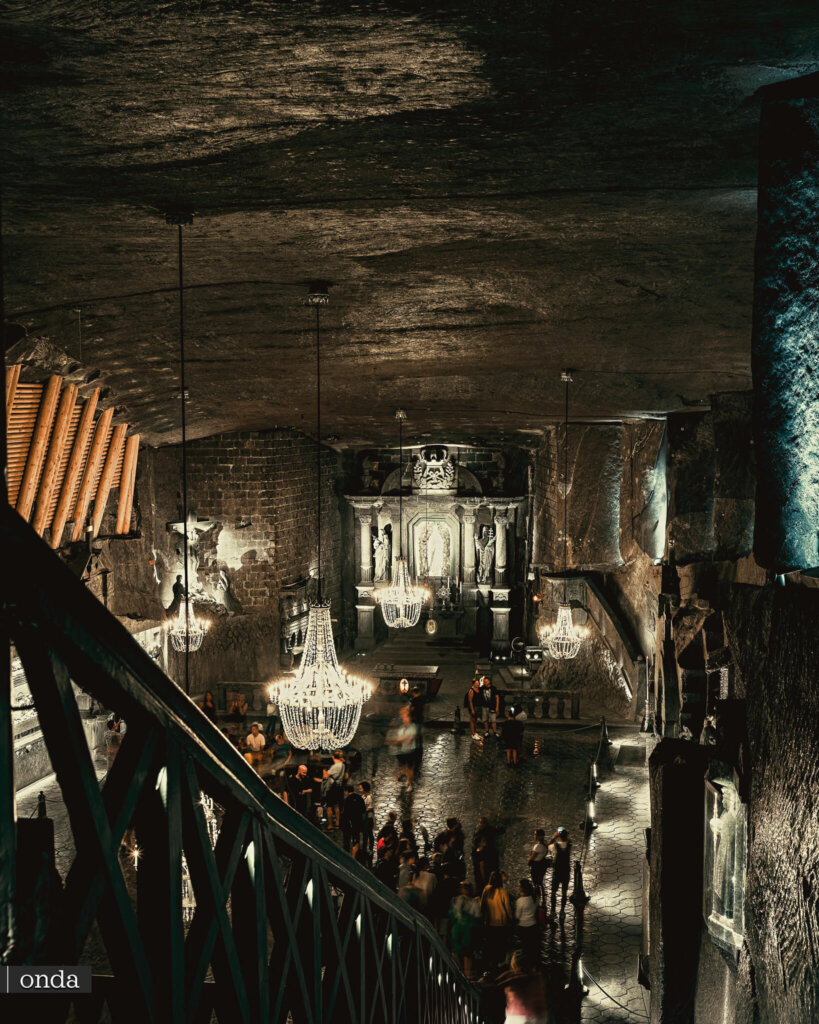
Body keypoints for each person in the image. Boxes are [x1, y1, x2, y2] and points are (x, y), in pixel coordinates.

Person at [480, 870, 514, 967]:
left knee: (491, 943)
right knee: (500, 943)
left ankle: (491, 962)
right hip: (501, 922)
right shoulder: (503, 892)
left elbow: (482, 905)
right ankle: (500, 962)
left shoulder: (486, 889)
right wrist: (511, 918)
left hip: (490, 922)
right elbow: (507, 907)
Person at [448, 881, 481, 980]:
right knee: (467, 954)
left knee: (460, 953)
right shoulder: (473, 902)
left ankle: (460, 975)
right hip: (467, 930)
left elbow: (453, 914)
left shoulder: (456, 900)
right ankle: (467, 976)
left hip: (459, 929)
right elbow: (478, 916)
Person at [390, 707, 421, 790]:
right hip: (404, 751)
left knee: (410, 768)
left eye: (405, 717)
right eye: (403, 717)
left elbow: (409, 740)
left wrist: (401, 740)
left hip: (411, 751)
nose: (404, 719)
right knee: (405, 768)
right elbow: (400, 739)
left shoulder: (413, 727)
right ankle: (407, 779)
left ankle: (410, 784)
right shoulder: (402, 728)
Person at [515, 878, 541, 967]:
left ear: (523, 888)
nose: (518, 888)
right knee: (532, 947)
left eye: (519, 886)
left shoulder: (520, 901)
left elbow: (517, 916)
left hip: (523, 927)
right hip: (533, 926)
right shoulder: (535, 898)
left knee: (524, 947)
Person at [549, 827, 572, 922]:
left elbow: (548, 845)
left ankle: (553, 911)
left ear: (558, 836)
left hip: (557, 872)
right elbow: (570, 841)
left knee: (553, 892)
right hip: (566, 871)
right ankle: (562, 911)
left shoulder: (554, 846)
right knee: (564, 892)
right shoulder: (570, 845)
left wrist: (554, 837)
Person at [324, 750, 346, 830]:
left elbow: (326, 776)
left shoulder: (335, 766)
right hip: (339, 787)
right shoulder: (343, 765)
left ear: (333, 757)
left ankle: (330, 825)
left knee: (329, 807)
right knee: (336, 805)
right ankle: (338, 822)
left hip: (332, 788)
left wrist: (324, 771)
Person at [342, 784, 367, 854]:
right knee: (356, 839)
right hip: (358, 822)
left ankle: (346, 853)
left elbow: (345, 813)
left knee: (347, 840)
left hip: (349, 823)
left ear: (347, 791)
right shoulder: (359, 798)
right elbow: (363, 810)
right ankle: (356, 853)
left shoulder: (347, 800)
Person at [527, 829, 550, 906]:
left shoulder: (537, 846)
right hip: (542, 864)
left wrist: (528, 860)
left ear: (540, 836)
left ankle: (537, 898)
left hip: (536, 866)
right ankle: (543, 898)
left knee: (536, 882)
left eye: (535, 834)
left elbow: (531, 857)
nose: (534, 836)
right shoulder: (545, 844)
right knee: (540, 881)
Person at [359, 781, 375, 856]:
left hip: (368, 818)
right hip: (364, 818)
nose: (360, 788)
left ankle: (370, 849)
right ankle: (364, 848)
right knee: (365, 833)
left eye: (361, 787)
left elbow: (370, 808)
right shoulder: (363, 796)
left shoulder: (369, 797)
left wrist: (362, 809)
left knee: (368, 833)